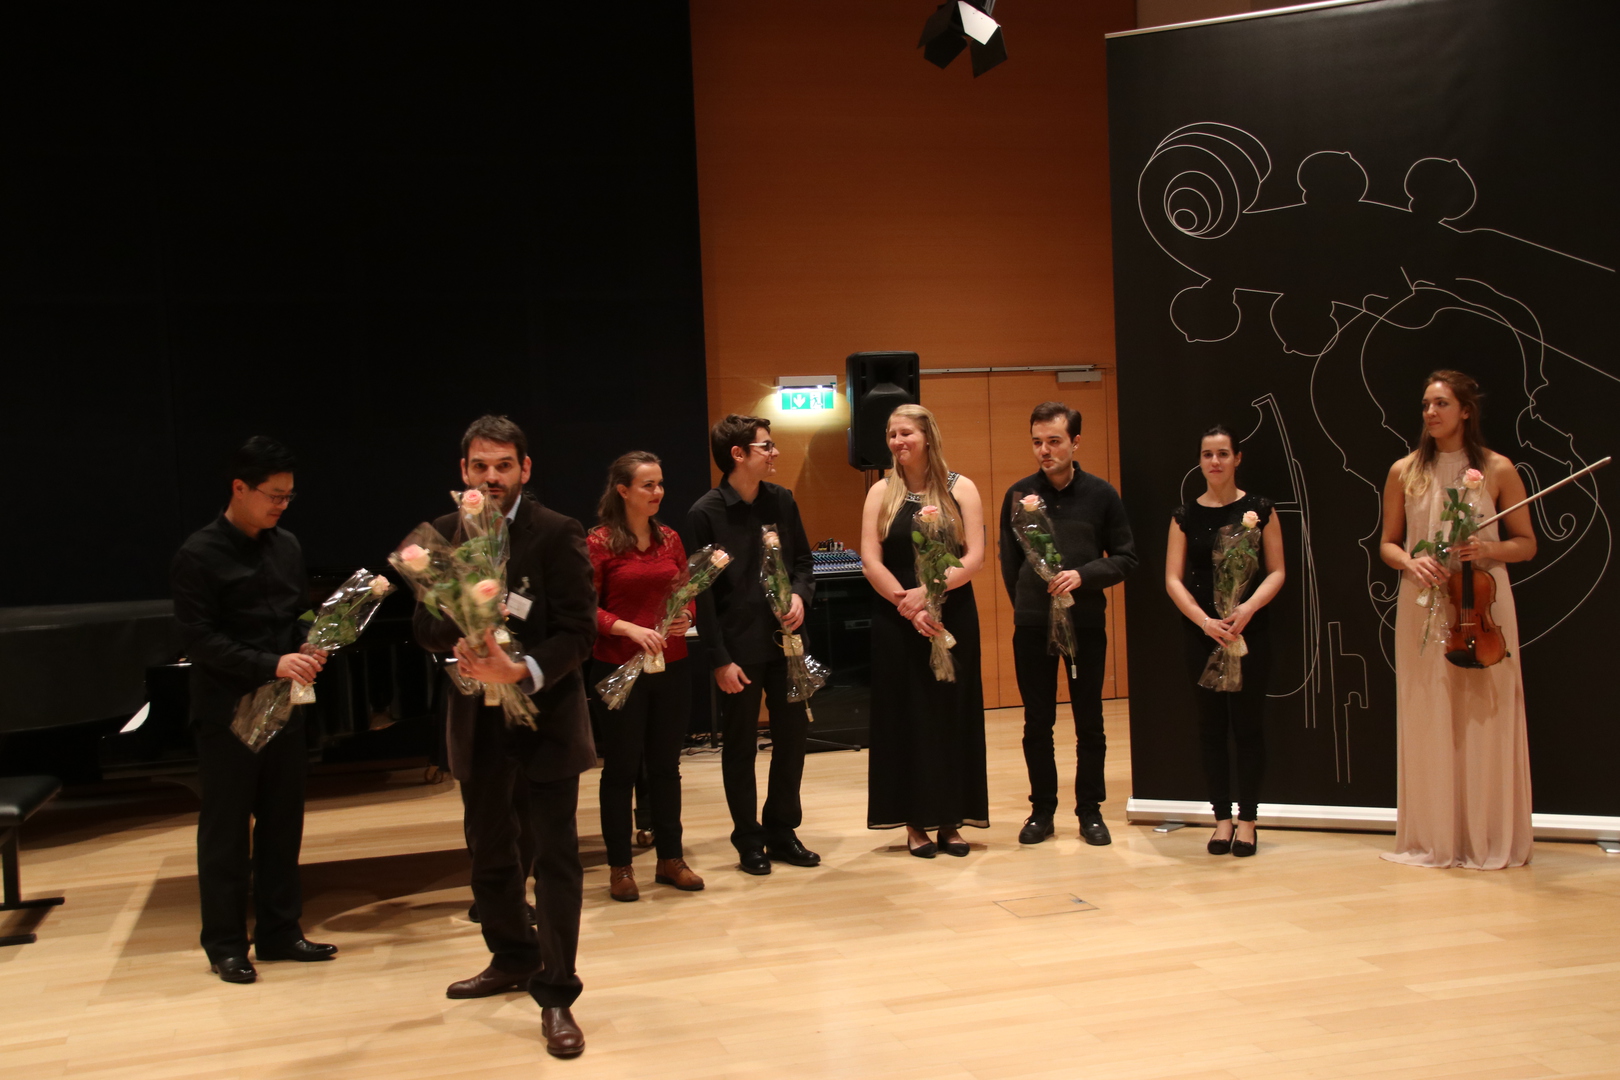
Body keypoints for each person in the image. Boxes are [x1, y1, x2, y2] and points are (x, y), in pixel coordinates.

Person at [413, 415, 596, 1058]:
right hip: (477, 717)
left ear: (525, 469)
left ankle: (557, 994)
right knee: (490, 853)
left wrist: (521, 670)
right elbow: (422, 630)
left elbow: (579, 632)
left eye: (503, 466)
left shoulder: (557, 530)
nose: (491, 477)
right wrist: (462, 624)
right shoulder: (442, 535)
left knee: (555, 859)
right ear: (463, 470)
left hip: (547, 718)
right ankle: (513, 956)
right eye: (480, 466)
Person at [170, 436, 335, 984]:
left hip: (284, 708)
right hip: (228, 713)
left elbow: (295, 615)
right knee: (226, 832)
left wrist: (312, 641)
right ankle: (225, 944)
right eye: (273, 495)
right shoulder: (198, 555)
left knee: (283, 824)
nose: (281, 505)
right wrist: (273, 662)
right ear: (239, 488)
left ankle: (280, 932)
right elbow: (198, 640)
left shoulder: (286, 545)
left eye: (288, 496)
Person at [1378, 370, 1536, 869]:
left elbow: (1526, 544)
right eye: (1426, 404)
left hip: (1481, 601)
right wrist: (1410, 561)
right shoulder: (1404, 470)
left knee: (1485, 714)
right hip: (1423, 600)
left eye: (1442, 403)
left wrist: (1486, 548)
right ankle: (1437, 837)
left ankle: (1484, 836)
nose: (1430, 412)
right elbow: (1387, 544)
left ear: (1466, 410)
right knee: (1430, 710)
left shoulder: (1497, 468)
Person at [997, 402, 1137, 847]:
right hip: (1033, 625)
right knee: (1037, 722)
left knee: (1089, 720)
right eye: (1037, 442)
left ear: (1075, 442)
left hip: (1085, 624)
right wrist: (1030, 604)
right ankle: (1042, 811)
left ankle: (1089, 811)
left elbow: (1126, 558)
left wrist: (1083, 576)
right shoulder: (1019, 495)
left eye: (1054, 441)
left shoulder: (1102, 494)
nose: (1045, 450)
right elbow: (1010, 563)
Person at [687, 414, 820, 876]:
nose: (774, 452)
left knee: (792, 740)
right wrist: (719, 659)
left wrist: (800, 595)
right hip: (738, 650)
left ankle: (782, 830)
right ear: (738, 455)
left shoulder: (781, 500)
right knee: (740, 747)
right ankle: (748, 839)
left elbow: (803, 562)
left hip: (787, 643)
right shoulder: (704, 513)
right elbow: (702, 595)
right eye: (766, 446)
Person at [861, 404, 989, 857]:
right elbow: (870, 560)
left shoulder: (961, 488)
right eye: (892, 434)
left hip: (952, 614)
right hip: (897, 618)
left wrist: (930, 593)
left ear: (927, 437)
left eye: (906, 433)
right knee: (906, 719)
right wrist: (908, 603)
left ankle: (951, 820)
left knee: (950, 715)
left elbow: (974, 557)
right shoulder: (880, 492)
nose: (897, 442)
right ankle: (915, 823)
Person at [586, 451, 704, 901]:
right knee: (620, 768)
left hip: (671, 665)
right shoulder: (599, 542)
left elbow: (686, 592)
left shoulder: (670, 538)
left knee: (666, 767)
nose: (658, 492)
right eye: (647, 485)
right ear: (623, 491)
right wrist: (626, 628)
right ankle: (620, 866)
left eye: (660, 484)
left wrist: (686, 616)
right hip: (618, 666)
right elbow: (584, 607)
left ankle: (671, 858)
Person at [1163, 426, 1285, 857]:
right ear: (1199, 460)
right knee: (1210, 729)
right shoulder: (1184, 515)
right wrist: (1204, 621)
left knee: (1248, 728)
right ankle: (1221, 820)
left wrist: (1246, 609)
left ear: (1237, 458)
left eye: (1222, 454)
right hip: (1203, 635)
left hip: (1248, 632)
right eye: (1207, 454)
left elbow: (1277, 571)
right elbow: (1173, 579)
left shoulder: (1260, 509)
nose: (1214, 462)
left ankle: (1248, 821)